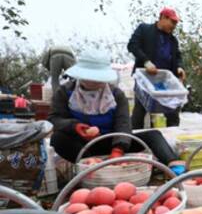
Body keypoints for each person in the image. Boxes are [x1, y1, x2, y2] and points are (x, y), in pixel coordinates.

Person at [48, 49, 185, 174]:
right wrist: (74, 126)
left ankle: (174, 165)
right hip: (82, 146)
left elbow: (123, 123)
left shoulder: (116, 95)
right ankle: (91, 164)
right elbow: (55, 118)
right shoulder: (65, 92)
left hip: (113, 142)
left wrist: (118, 149)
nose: (93, 82)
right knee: (58, 138)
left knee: (153, 135)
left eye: (97, 78)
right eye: (89, 77)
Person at [127, 7, 185, 129]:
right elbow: (132, 45)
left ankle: (172, 139)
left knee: (172, 110)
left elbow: (177, 56)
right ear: (163, 18)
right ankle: (135, 141)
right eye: (173, 22)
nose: (174, 26)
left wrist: (179, 67)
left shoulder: (173, 40)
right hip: (145, 78)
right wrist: (146, 61)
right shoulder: (145, 29)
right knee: (140, 110)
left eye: (176, 23)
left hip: (165, 81)